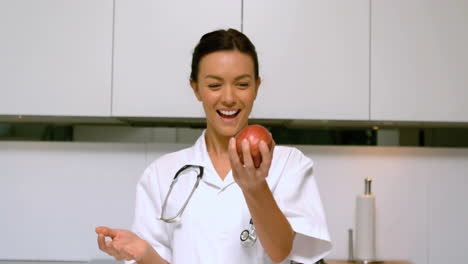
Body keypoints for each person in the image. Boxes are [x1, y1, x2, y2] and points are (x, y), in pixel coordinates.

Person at [95, 28, 332, 264]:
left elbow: (282, 252)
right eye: (214, 85)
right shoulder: (161, 174)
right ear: (195, 88)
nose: (228, 98)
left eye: (242, 84)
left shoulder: (289, 165)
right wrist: (145, 255)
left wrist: (255, 187)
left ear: (257, 87)